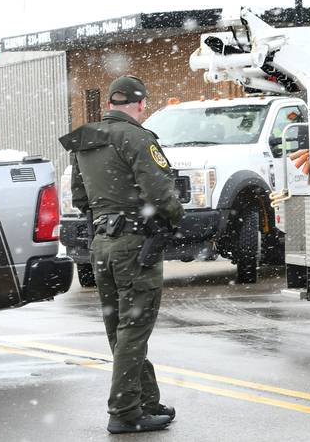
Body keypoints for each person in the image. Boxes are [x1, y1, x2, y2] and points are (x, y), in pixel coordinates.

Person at [59, 76, 184, 434]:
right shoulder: (138, 138)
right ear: (141, 104)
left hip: (101, 244)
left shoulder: (86, 138)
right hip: (134, 245)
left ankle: (145, 398)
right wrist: (176, 217)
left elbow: (80, 198)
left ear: (110, 103)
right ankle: (125, 412)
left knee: (120, 327)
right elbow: (160, 193)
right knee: (135, 327)